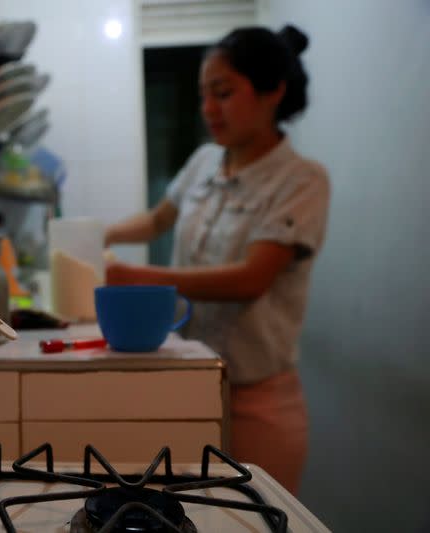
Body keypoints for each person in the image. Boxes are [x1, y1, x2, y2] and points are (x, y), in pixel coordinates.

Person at [103, 24, 329, 495]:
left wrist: (135, 277)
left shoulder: (301, 180)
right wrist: (91, 235)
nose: (208, 109)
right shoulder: (205, 160)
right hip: (188, 381)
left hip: (257, 404)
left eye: (222, 93)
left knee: (254, 520)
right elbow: (156, 220)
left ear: (273, 92)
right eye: (204, 94)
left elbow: (251, 278)